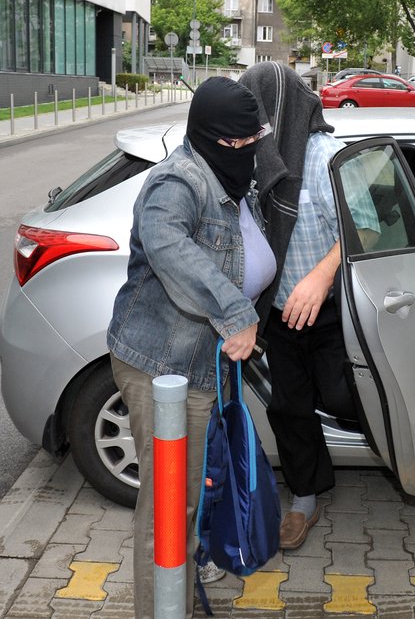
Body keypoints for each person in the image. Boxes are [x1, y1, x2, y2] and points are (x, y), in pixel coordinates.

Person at [107, 77, 276, 618]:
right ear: (207, 136)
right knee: (167, 511)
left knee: (196, 498)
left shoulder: (229, 173)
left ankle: (178, 593)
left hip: (209, 365)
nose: (248, 151)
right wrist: (235, 313)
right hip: (166, 367)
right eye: (237, 143)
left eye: (255, 139)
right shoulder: (176, 183)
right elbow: (169, 246)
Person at [239, 62, 378, 550]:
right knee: (288, 407)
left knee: (342, 397)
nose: (249, 127)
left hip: (333, 310)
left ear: (279, 111)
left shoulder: (326, 159)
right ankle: (305, 497)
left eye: (255, 114)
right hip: (276, 312)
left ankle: (394, 449)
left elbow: (368, 228)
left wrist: (322, 275)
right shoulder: (251, 160)